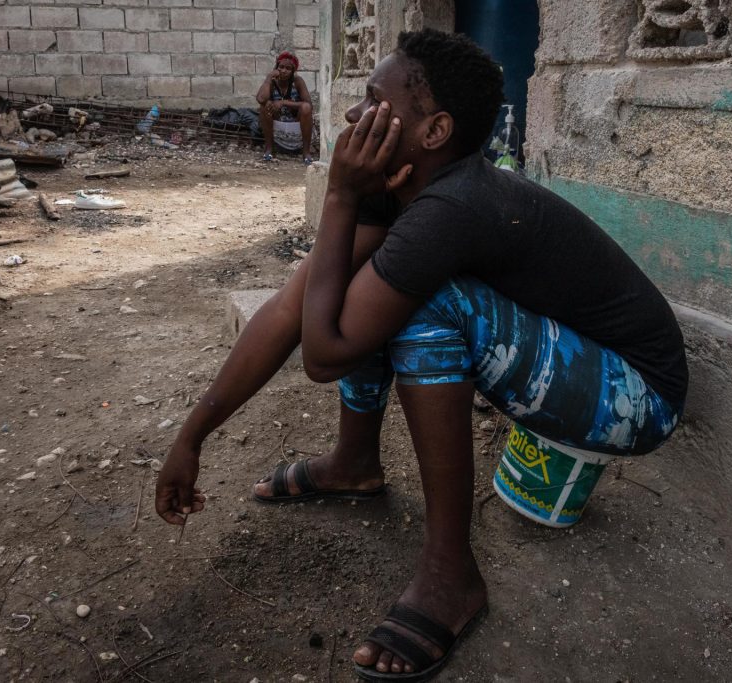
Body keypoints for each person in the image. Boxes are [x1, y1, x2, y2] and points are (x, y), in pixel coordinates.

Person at [156, 29, 687, 681]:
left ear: (434, 131)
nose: (354, 116)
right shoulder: (402, 182)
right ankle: (354, 462)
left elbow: (325, 355)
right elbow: (291, 309)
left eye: (374, 101)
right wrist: (192, 436)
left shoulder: (456, 204)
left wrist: (339, 198)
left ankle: (449, 571)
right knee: (368, 286)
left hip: (636, 395)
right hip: (571, 360)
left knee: (422, 304)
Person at [256, 51, 314, 163]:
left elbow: (309, 105)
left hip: (295, 126)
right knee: (265, 106)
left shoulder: (297, 82)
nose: (284, 71)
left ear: (292, 71)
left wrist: (283, 102)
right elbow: (261, 99)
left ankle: (306, 152)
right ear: (276, 68)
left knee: (305, 108)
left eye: (288, 68)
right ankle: (269, 149)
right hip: (277, 125)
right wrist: (269, 77)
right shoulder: (272, 82)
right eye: (281, 67)